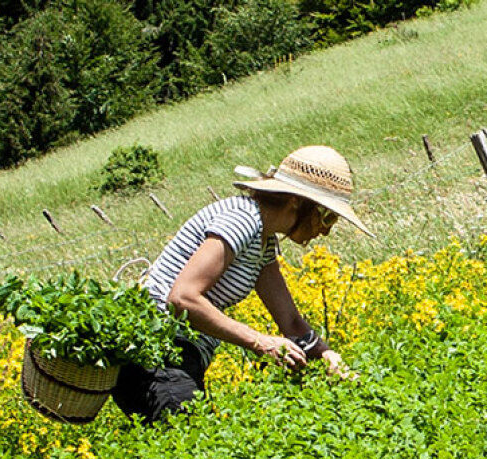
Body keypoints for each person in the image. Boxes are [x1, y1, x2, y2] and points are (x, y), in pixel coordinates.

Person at [110, 145, 375, 424]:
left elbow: (290, 321)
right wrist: (260, 342)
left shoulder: (263, 239)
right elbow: (182, 299)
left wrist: (327, 355)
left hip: (181, 359)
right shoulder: (243, 219)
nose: (326, 229)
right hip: (158, 356)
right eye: (327, 216)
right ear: (297, 201)